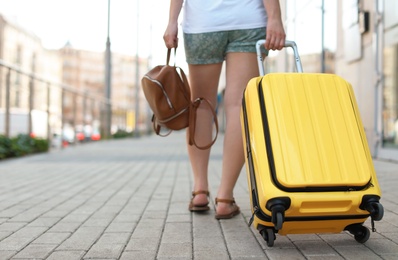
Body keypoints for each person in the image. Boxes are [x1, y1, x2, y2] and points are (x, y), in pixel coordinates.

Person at [163, 0, 286, 219]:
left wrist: (172, 21)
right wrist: (275, 17)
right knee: (239, 106)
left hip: (203, 22)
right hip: (248, 20)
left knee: (201, 106)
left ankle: (200, 190)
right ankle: (225, 198)